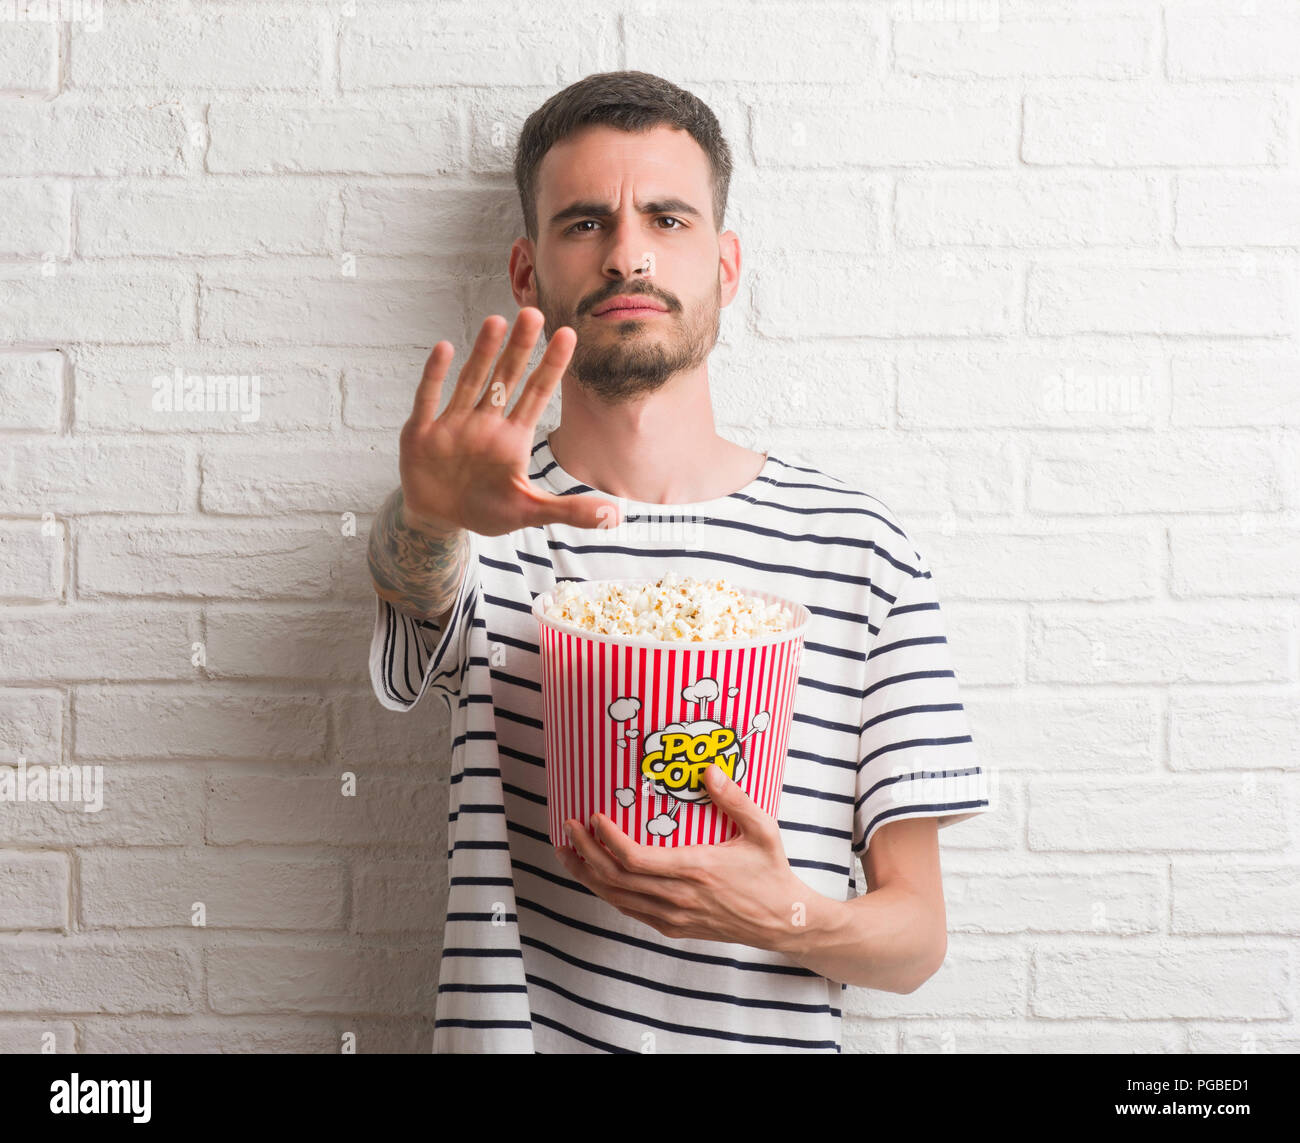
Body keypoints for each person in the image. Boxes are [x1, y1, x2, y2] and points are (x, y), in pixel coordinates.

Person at [365, 70, 991, 1053]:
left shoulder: (859, 550)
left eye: (666, 219)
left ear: (725, 264)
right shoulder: (483, 526)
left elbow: (914, 940)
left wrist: (777, 913)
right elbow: (411, 573)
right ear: (526, 273)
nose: (627, 255)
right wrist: (433, 516)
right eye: (584, 223)